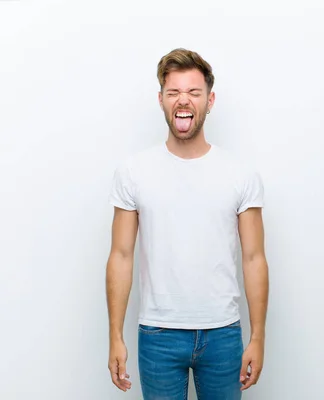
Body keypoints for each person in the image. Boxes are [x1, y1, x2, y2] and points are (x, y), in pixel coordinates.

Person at [105, 48, 269, 399]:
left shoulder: (241, 175)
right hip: (157, 334)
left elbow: (255, 258)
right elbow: (120, 255)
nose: (183, 100)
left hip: (223, 334)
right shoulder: (133, 172)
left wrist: (257, 337)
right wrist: (115, 335)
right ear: (161, 100)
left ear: (209, 100)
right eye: (173, 92)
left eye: (193, 92)